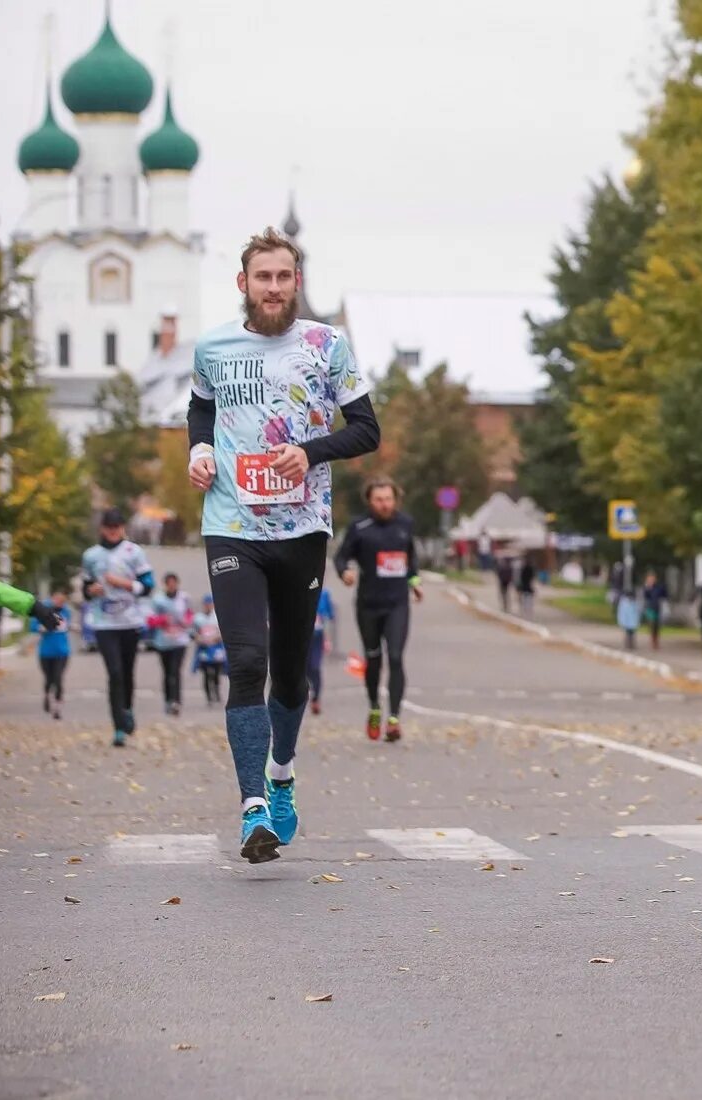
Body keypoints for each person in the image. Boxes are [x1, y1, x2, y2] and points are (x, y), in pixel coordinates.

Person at [188, 226, 380, 863]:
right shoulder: (213, 346)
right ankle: (252, 812)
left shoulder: (327, 344)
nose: (274, 288)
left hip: (302, 529)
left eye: (284, 277)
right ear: (242, 284)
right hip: (232, 525)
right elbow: (200, 409)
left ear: (296, 281)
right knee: (247, 661)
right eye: (262, 277)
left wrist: (309, 451)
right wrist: (200, 450)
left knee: (292, 676)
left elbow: (366, 430)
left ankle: (281, 774)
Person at [335, 476, 422, 743]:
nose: (384, 504)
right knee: (373, 659)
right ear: (370, 501)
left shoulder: (405, 524)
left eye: (388, 499)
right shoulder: (360, 527)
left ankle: (394, 718)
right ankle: (374, 707)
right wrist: (345, 572)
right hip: (368, 605)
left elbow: (411, 556)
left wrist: (414, 581)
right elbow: (341, 556)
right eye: (379, 500)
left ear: (395, 499)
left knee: (395, 657)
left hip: (397, 603)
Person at [81, 508, 155, 747]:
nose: (113, 531)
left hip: (130, 620)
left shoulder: (134, 553)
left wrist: (123, 584)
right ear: (102, 528)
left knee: (126, 671)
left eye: (117, 527)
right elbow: (85, 588)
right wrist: (91, 590)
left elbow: (148, 586)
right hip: (103, 622)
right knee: (114, 672)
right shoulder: (91, 555)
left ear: (122, 528)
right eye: (109, 527)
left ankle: (127, 708)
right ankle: (118, 727)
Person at [149, 572, 195, 717]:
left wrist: (187, 622)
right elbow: (150, 620)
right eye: (169, 583)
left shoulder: (184, 598)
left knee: (175, 671)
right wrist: (163, 620)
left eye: (174, 582)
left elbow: (189, 614)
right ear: (165, 584)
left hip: (179, 640)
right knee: (167, 672)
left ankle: (176, 701)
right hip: (163, 641)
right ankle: (168, 699)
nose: (171, 585)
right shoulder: (158, 600)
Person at [27, 588, 72, 719]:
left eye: (62, 601)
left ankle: (57, 707)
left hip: (62, 652)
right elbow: (33, 627)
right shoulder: (43, 611)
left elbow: (66, 626)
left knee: (58, 678)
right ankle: (47, 696)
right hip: (46, 652)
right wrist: (42, 628)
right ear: (52, 599)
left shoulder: (66, 612)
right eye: (57, 600)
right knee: (49, 679)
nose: (60, 603)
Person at [191, 594, 226, 706]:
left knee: (216, 672)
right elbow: (193, 632)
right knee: (206, 674)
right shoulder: (198, 618)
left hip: (216, 648)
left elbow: (223, 632)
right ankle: (209, 697)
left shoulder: (217, 617)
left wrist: (216, 638)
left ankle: (217, 692)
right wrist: (199, 639)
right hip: (204, 649)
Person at [306, 586, 335, 715]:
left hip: (317, 636)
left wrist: (328, 639)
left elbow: (329, 617)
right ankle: (305, 694)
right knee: (305, 668)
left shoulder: (324, 594)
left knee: (315, 667)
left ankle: (316, 699)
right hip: (301, 636)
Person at [642, 570, 667, 649]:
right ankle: (653, 642)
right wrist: (648, 587)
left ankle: (656, 641)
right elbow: (645, 596)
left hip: (658, 608)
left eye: (652, 578)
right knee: (652, 625)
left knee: (657, 626)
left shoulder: (659, 587)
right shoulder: (647, 588)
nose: (651, 580)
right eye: (649, 579)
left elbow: (665, 595)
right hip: (650, 608)